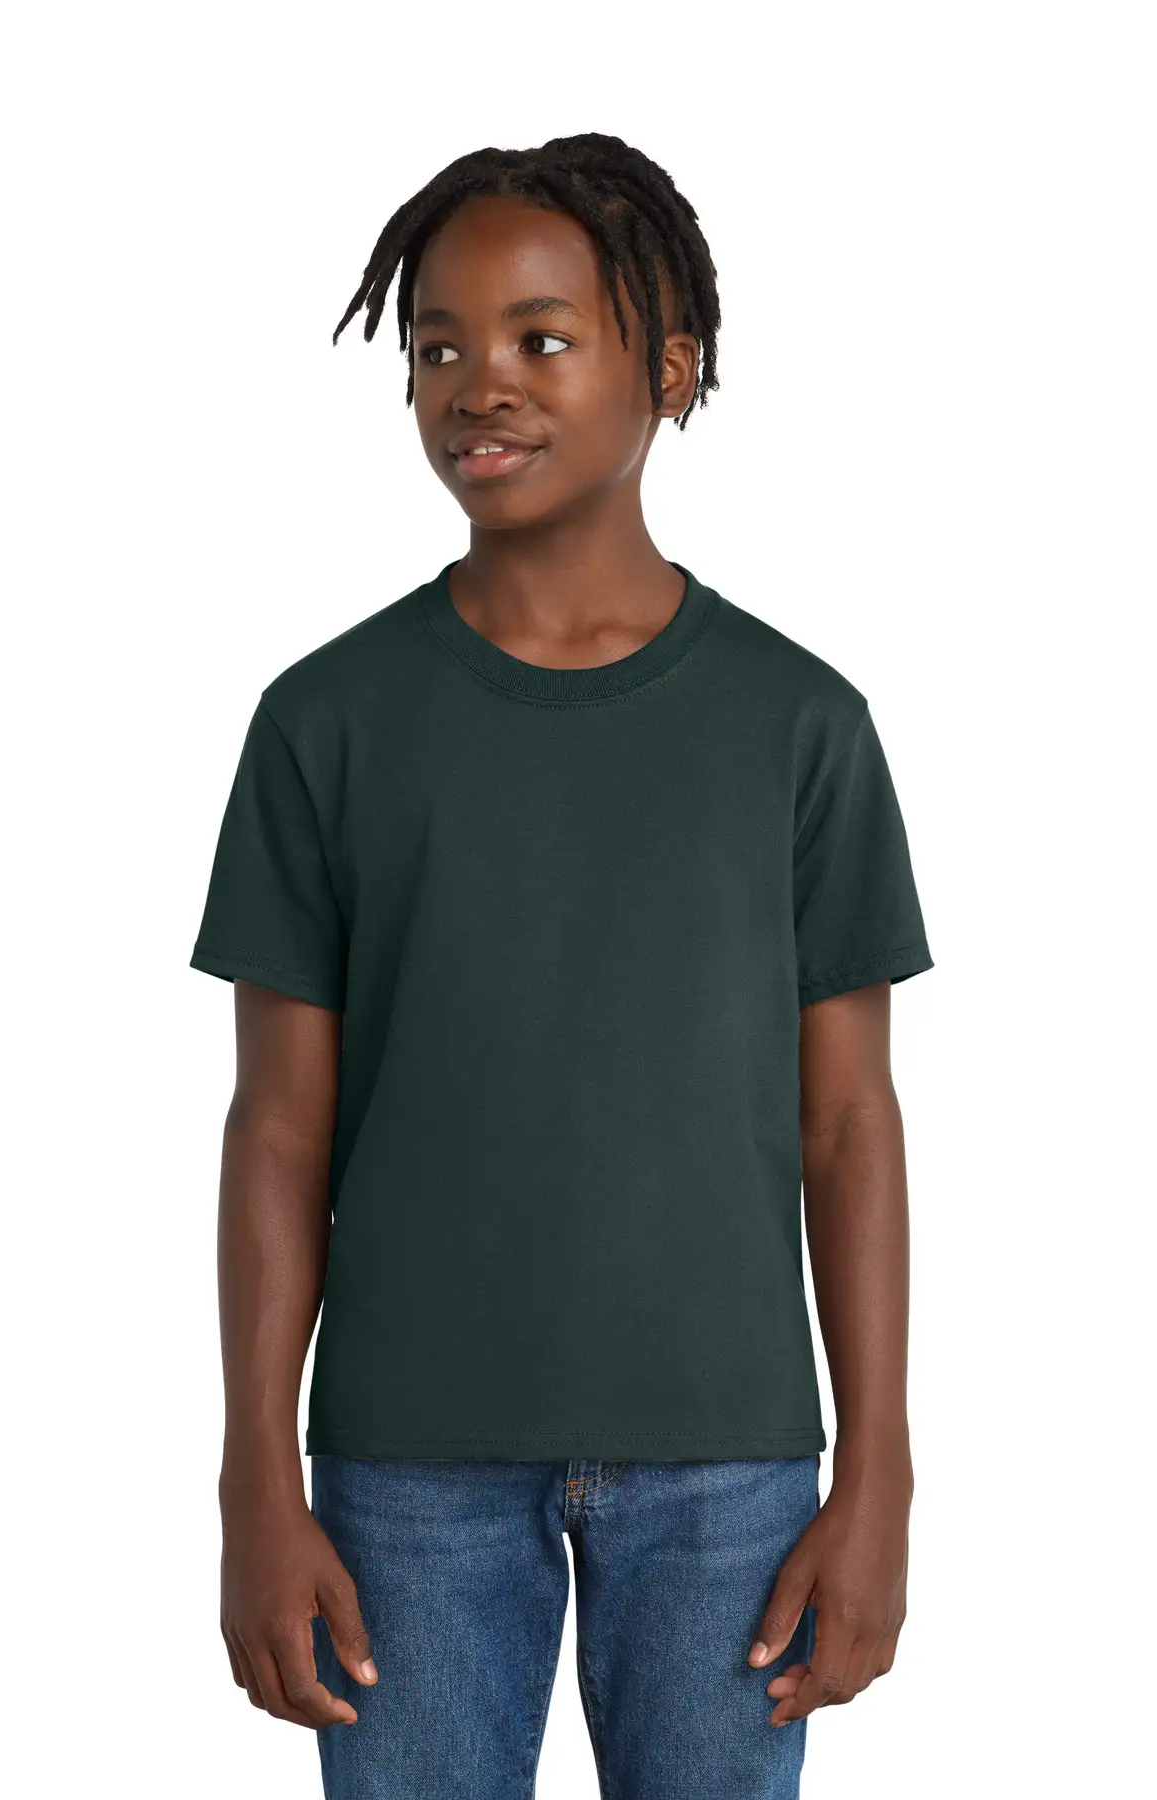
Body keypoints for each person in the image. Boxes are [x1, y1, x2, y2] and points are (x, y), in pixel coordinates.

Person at [190, 132, 934, 1800]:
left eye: (542, 337)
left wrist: (879, 1472)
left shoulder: (799, 727)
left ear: (668, 369)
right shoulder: (325, 724)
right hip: (403, 1478)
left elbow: (849, 1126)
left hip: (728, 1475)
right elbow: (277, 1130)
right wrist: (255, 1480)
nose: (480, 383)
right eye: (438, 344)